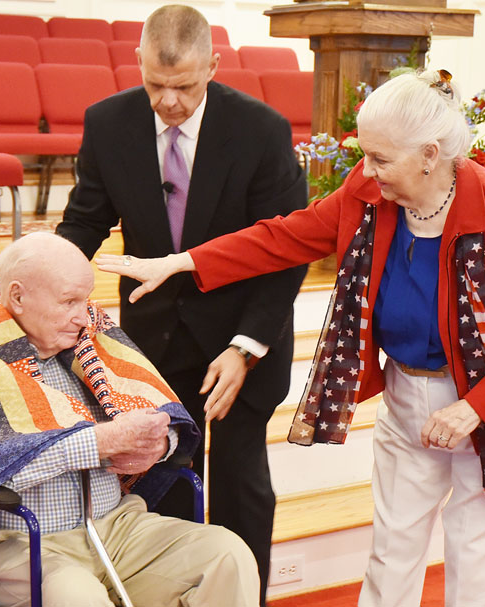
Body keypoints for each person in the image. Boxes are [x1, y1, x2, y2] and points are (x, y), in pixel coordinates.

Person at [99, 69, 485, 607]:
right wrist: (181, 262)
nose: (367, 171)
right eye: (364, 156)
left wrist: (475, 409)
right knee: (393, 552)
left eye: (381, 159)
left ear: (430, 154)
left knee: (480, 562)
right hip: (411, 389)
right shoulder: (368, 193)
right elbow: (284, 236)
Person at [55, 6, 307, 598]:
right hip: (153, 338)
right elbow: (86, 221)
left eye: (185, 86)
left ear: (214, 67)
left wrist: (246, 348)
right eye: (156, 85)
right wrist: (45, 278)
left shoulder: (260, 130)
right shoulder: (108, 122)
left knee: (241, 485)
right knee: (161, 484)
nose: (168, 101)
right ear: (139, 64)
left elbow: (287, 251)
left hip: (244, 335)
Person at [0, 232, 260, 607]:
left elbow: (161, 415)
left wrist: (158, 445)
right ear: (17, 297)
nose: (84, 317)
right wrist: (100, 442)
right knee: (77, 596)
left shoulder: (92, 343)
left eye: (86, 300)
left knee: (227, 554)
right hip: (18, 541)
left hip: (116, 527)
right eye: (69, 302)